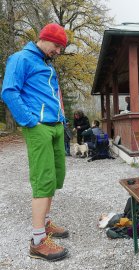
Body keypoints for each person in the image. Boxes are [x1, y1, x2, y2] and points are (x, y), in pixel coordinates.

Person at [1, 23, 69, 261]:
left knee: (55, 177)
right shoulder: (21, 59)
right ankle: (38, 241)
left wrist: (62, 118)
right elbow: (9, 91)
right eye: (57, 46)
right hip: (39, 128)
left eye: (61, 48)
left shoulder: (44, 64)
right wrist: (30, 122)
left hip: (56, 126)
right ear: (45, 39)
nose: (59, 52)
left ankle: (47, 223)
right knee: (43, 180)